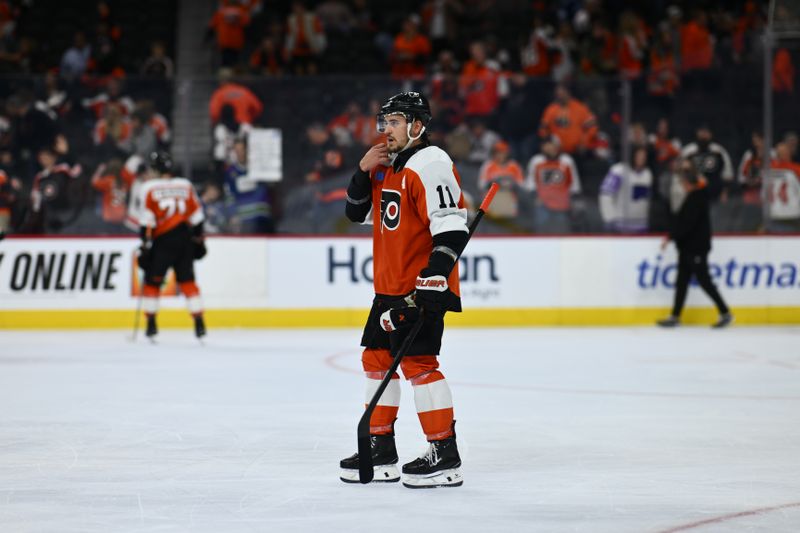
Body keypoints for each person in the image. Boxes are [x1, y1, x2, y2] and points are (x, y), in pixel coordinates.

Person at [340, 91, 466, 488]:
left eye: (394, 122)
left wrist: (435, 276)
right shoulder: (385, 164)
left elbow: (450, 224)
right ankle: (381, 449)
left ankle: (444, 454)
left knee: (419, 365)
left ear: (416, 125)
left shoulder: (432, 163)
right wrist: (361, 171)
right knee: (376, 360)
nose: (385, 130)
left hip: (421, 287)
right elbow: (356, 213)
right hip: (388, 289)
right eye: (384, 122)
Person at [137, 152, 208, 339]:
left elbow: (147, 221)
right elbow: (197, 218)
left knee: (153, 282)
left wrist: (145, 246)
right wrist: (199, 240)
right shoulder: (185, 185)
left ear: (154, 169)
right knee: (188, 282)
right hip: (184, 239)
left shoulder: (148, 188)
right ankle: (199, 322)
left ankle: (151, 323)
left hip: (163, 242)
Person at [657, 158, 733, 329]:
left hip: (695, 248)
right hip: (687, 248)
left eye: (683, 182)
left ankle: (725, 312)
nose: (682, 185)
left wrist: (670, 237)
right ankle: (675, 315)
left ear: (688, 183)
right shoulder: (693, 197)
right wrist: (672, 237)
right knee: (681, 282)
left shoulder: (697, 199)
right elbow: (683, 223)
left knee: (704, 281)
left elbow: (686, 224)